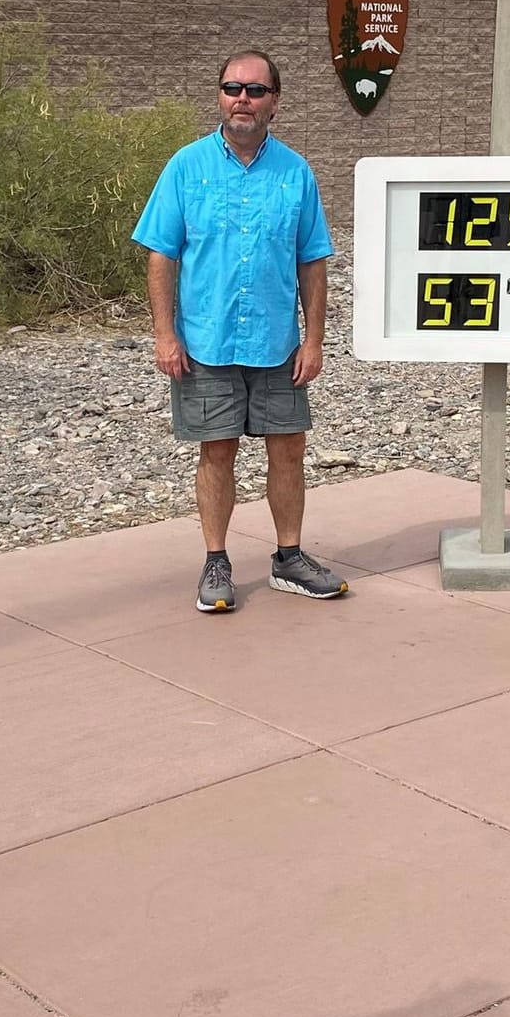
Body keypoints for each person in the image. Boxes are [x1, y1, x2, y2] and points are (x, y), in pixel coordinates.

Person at [131, 49, 349, 613]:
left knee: (288, 449)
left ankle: (289, 559)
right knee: (217, 450)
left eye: (255, 91)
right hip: (206, 341)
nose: (242, 100)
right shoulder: (185, 167)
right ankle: (215, 563)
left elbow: (313, 259)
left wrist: (315, 338)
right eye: (233, 89)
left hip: (277, 343)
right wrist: (164, 333)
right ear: (220, 96)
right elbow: (161, 255)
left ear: (275, 101)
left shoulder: (295, 172)